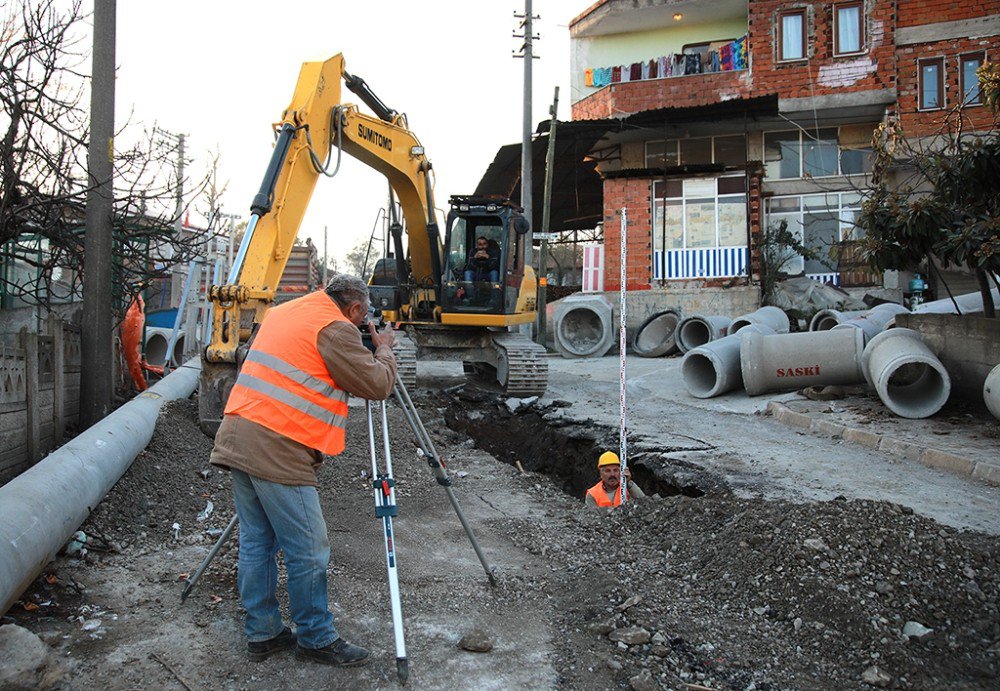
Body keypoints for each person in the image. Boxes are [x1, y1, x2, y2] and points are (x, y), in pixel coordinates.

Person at [210, 274, 397, 667]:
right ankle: (315, 637)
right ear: (356, 308)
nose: (362, 324)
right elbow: (377, 384)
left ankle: (263, 632)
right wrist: (383, 350)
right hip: (278, 446)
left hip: (239, 433)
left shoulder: (288, 311)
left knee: (257, 541)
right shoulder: (335, 330)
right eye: (362, 318)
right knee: (309, 550)